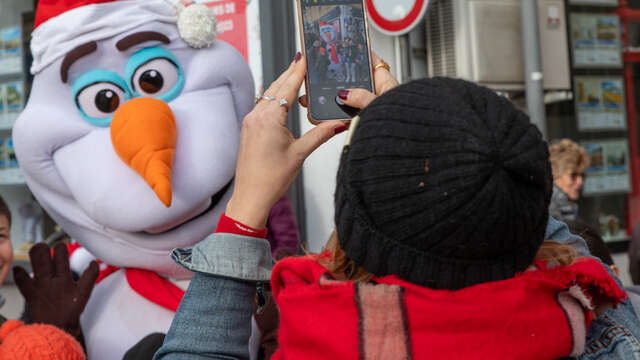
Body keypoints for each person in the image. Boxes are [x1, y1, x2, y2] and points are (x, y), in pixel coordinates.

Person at [155, 57, 640, 359]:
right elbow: (545, 225)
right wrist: (434, 135)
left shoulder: (316, 340)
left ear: (350, 221)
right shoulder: (602, 328)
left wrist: (246, 206)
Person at [548, 139, 590, 222]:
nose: (580, 181)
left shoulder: (563, 204)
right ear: (555, 173)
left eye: (582, 175)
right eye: (573, 175)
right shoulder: (548, 208)